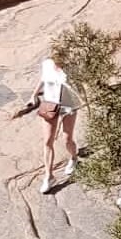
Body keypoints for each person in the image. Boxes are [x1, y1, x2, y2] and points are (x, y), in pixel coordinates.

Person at [27, 57, 79, 194]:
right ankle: (49, 176)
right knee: (48, 141)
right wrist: (34, 95)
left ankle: (74, 158)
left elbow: (77, 85)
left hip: (69, 105)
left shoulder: (72, 65)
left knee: (67, 139)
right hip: (50, 104)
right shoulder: (47, 64)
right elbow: (43, 79)